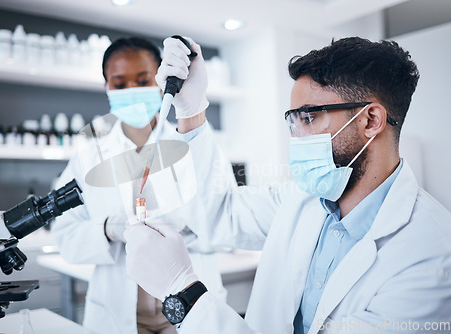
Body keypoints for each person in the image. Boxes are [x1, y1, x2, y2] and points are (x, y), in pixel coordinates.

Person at [124, 36, 451, 333]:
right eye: (292, 120)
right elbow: (219, 212)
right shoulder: (303, 199)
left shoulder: (432, 253)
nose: (296, 136)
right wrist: (191, 110)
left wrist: (185, 293)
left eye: (308, 118)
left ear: (370, 121)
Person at [50, 37, 227, 334]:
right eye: (119, 84)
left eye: (143, 80)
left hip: (190, 306)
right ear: (107, 88)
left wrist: (185, 227)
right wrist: (108, 230)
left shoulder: (194, 143)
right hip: (118, 312)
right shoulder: (88, 158)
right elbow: (65, 235)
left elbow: (225, 217)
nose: (131, 92)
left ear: (160, 80)